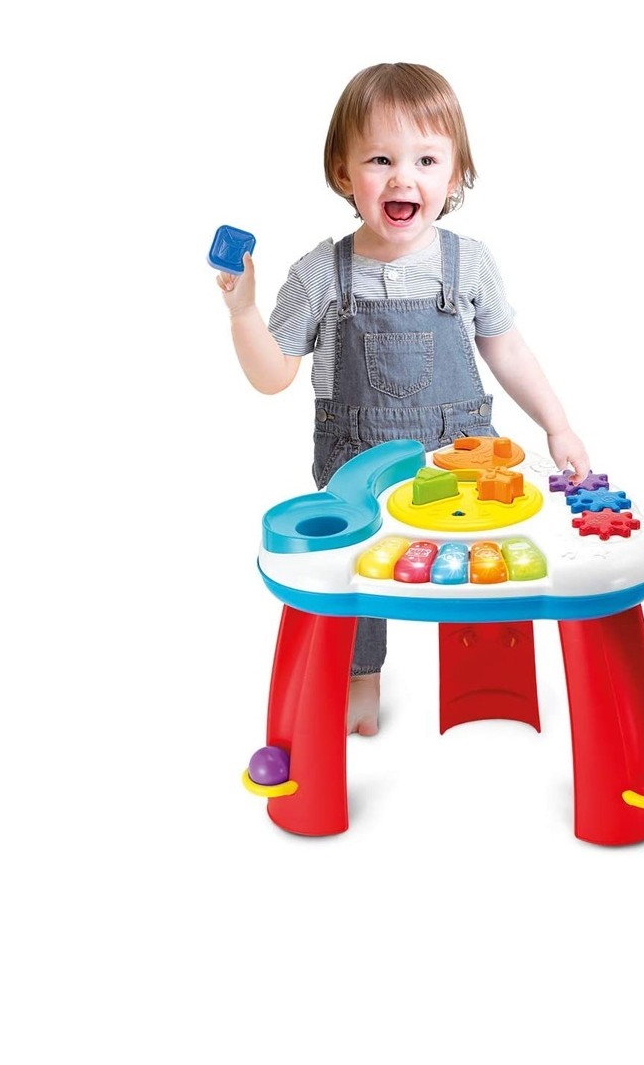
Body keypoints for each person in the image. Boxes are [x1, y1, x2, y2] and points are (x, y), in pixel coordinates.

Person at [217, 63, 590, 736]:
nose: (402, 179)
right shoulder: (320, 273)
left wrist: (557, 425)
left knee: (484, 556)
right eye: (380, 160)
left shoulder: (469, 263)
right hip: (358, 466)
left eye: (426, 160)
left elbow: (507, 349)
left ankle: (487, 678)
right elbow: (273, 376)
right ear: (343, 173)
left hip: (463, 461)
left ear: (455, 175)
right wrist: (243, 312)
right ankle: (360, 679)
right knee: (356, 572)